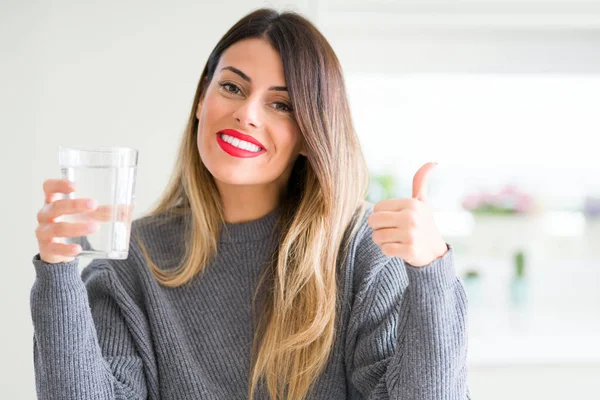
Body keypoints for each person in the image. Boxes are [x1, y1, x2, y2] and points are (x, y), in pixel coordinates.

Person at [31, 8, 469, 400]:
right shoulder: (131, 264)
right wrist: (58, 271)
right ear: (202, 100)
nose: (248, 114)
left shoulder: (360, 253)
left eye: (280, 104)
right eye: (232, 87)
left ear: (308, 135)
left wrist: (431, 272)